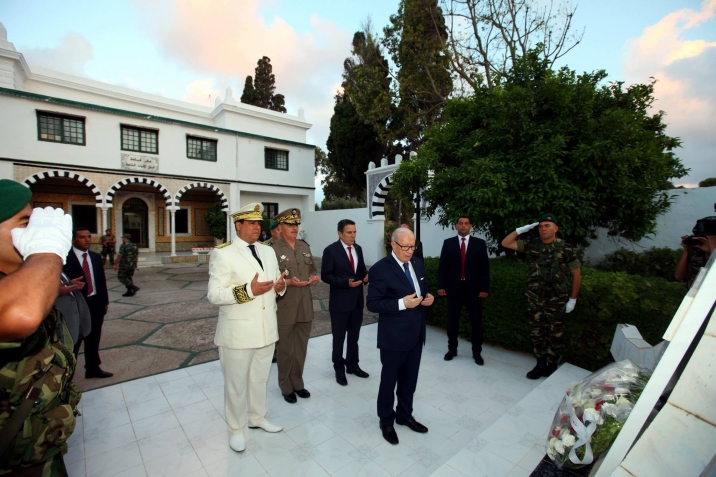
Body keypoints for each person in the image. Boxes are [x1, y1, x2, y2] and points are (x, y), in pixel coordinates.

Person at [0, 179, 80, 476]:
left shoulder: (22, 279)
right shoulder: (21, 293)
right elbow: (23, 313)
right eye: (25, 223)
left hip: (38, 446)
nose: (33, 231)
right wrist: (46, 250)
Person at [207, 203, 286, 452]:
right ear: (238, 225)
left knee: (259, 380)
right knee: (236, 386)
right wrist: (248, 290)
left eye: (258, 223)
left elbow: (276, 283)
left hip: (266, 330)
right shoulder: (223, 253)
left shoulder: (268, 251)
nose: (256, 227)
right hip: (238, 334)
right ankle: (235, 430)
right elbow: (214, 294)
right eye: (251, 223)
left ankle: (257, 418)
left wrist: (280, 286)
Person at [367, 227, 434, 445]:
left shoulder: (417, 263)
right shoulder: (380, 269)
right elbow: (373, 304)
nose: (409, 251)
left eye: (412, 246)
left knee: (409, 380)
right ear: (393, 245)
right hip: (393, 337)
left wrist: (428, 298)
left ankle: (405, 415)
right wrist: (401, 303)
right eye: (405, 247)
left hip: (416, 334)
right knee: (389, 381)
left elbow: (422, 289)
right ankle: (386, 421)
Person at [501, 213, 581, 380]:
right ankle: (540, 364)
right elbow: (505, 243)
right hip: (535, 298)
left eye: (547, 226)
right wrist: (520, 230)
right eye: (541, 226)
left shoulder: (566, 248)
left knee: (555, 334)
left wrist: (572, 299)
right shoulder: (532, 244)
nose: (543, 229)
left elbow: (576, 275)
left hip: (557, 299)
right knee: (537, 332)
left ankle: (552, 365)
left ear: (556, 228)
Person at [271, 208, 320, 403]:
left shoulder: (303, 246)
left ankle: (298, 383)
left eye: (296, 224)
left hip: (305, 306)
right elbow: (271, 281)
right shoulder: (272, 250)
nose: (294, 228)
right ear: (280, 227)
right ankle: (285, 386)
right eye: (290, 224)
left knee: (301, 348)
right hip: (284, 307)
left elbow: (312, 270)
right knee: (285, 350)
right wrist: (289, 282)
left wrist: (313, 277)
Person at [321, 219, 369, 386]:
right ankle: (339, 369)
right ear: (340, 233)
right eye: (349, 232)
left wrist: (366, 275)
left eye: (354, 232)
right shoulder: (330, 251)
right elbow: (326, 275)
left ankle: (353, 365)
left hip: (356, 301)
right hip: (340, 303)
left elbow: (361, 269)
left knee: (354, 337)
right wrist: (344, 283)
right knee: (339, 338)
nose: (353, 235)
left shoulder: (358, 249)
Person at [437, 216, 490, 365]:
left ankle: (477, 352)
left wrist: (484, 288)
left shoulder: (479, 244)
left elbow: (484, 269)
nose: (463, 226)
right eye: (460, 223)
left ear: (470, 226)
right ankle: (452, 349)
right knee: (452, 321)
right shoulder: (448, 243)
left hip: (474, 291)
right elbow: (443, 267)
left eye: (466, 223)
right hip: (454, 290)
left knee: (476, 322)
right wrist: (441, 286)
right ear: (456, 226)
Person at [63, 227, 113, 379]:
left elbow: (101, 281)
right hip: (76, 306)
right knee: (74, 341)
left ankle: (92, 368)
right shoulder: (65, 258)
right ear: (73, 240)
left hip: (95, 303)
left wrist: (104, 301)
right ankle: (67, 377)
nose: (87, 240)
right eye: (82, 237)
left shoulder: (95, 257)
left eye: (89, 236)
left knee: (94, 337)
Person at [675, 216, 716, 288]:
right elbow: (678, 275)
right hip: (695, 291)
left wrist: (712, 251)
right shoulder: (697, 249)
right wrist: (687, 250)